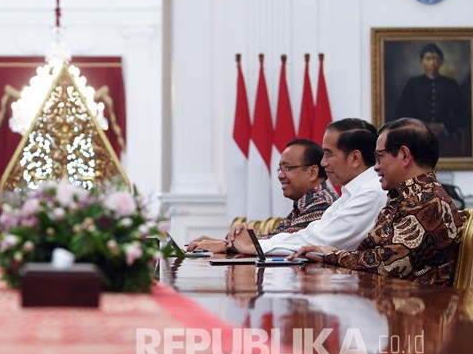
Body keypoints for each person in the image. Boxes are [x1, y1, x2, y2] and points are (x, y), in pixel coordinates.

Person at [293, 117, 463, 286]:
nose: (375, 167)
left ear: (404, 156)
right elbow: (369, 252)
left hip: (421, 308)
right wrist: (330, 252)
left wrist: (330, 255)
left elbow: (385, 263)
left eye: (380, 157)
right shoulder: (404, 198)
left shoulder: (428, 203)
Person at [218, 118, 387, 256]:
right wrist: (250, 244)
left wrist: (254, 246)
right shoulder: (351, 193)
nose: (323, 162)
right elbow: (309, 233)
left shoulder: (371, 192)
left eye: (328, 154)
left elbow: (319, 240)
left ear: (355, 158)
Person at [189, 139, 337, 253]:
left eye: (288, 168)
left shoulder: (321, 201)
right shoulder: (305, 201)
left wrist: (226, 245)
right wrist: (225, 241)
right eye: (280, 168)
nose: (280, 175)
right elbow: (278, 237)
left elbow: (288, 244)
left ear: (312, 172)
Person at [395, 42, 467, 157]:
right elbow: (402, 112)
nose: (432, 63)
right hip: (417, 137)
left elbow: (461, 113)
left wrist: (443, 126)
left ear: (441, 62)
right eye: (428, 58)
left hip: (447, 137)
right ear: (421, 61)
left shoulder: (450, 84)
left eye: (436, 59)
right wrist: (423, 125)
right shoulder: (413, 83)